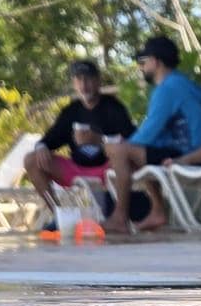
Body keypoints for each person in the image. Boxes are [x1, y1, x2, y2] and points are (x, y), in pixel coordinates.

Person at [102, 35, 201, 233]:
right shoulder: (181, 83)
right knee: (134, 151)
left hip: (188, 155)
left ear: (157, 61)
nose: (141, 67)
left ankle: (119, 217)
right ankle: (157, 211)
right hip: (196, 151)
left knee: (120, 151)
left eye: (143, 62)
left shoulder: (168, 88)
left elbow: (149, 131)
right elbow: (156, 134)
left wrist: (120, 148)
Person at [23, 59, 137, 207]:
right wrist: (42, 147)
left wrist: (99, 140)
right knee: (31, 159)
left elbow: (132, 143)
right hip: (76, 169)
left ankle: (119, 213)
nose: (84, 85)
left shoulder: (113, 107)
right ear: (74, 83)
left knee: (125, 158)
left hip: (107, 170)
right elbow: (49, 139)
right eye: (79, 79)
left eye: (88, 79)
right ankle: (59, 214)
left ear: (98, 81)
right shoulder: (71, 110)